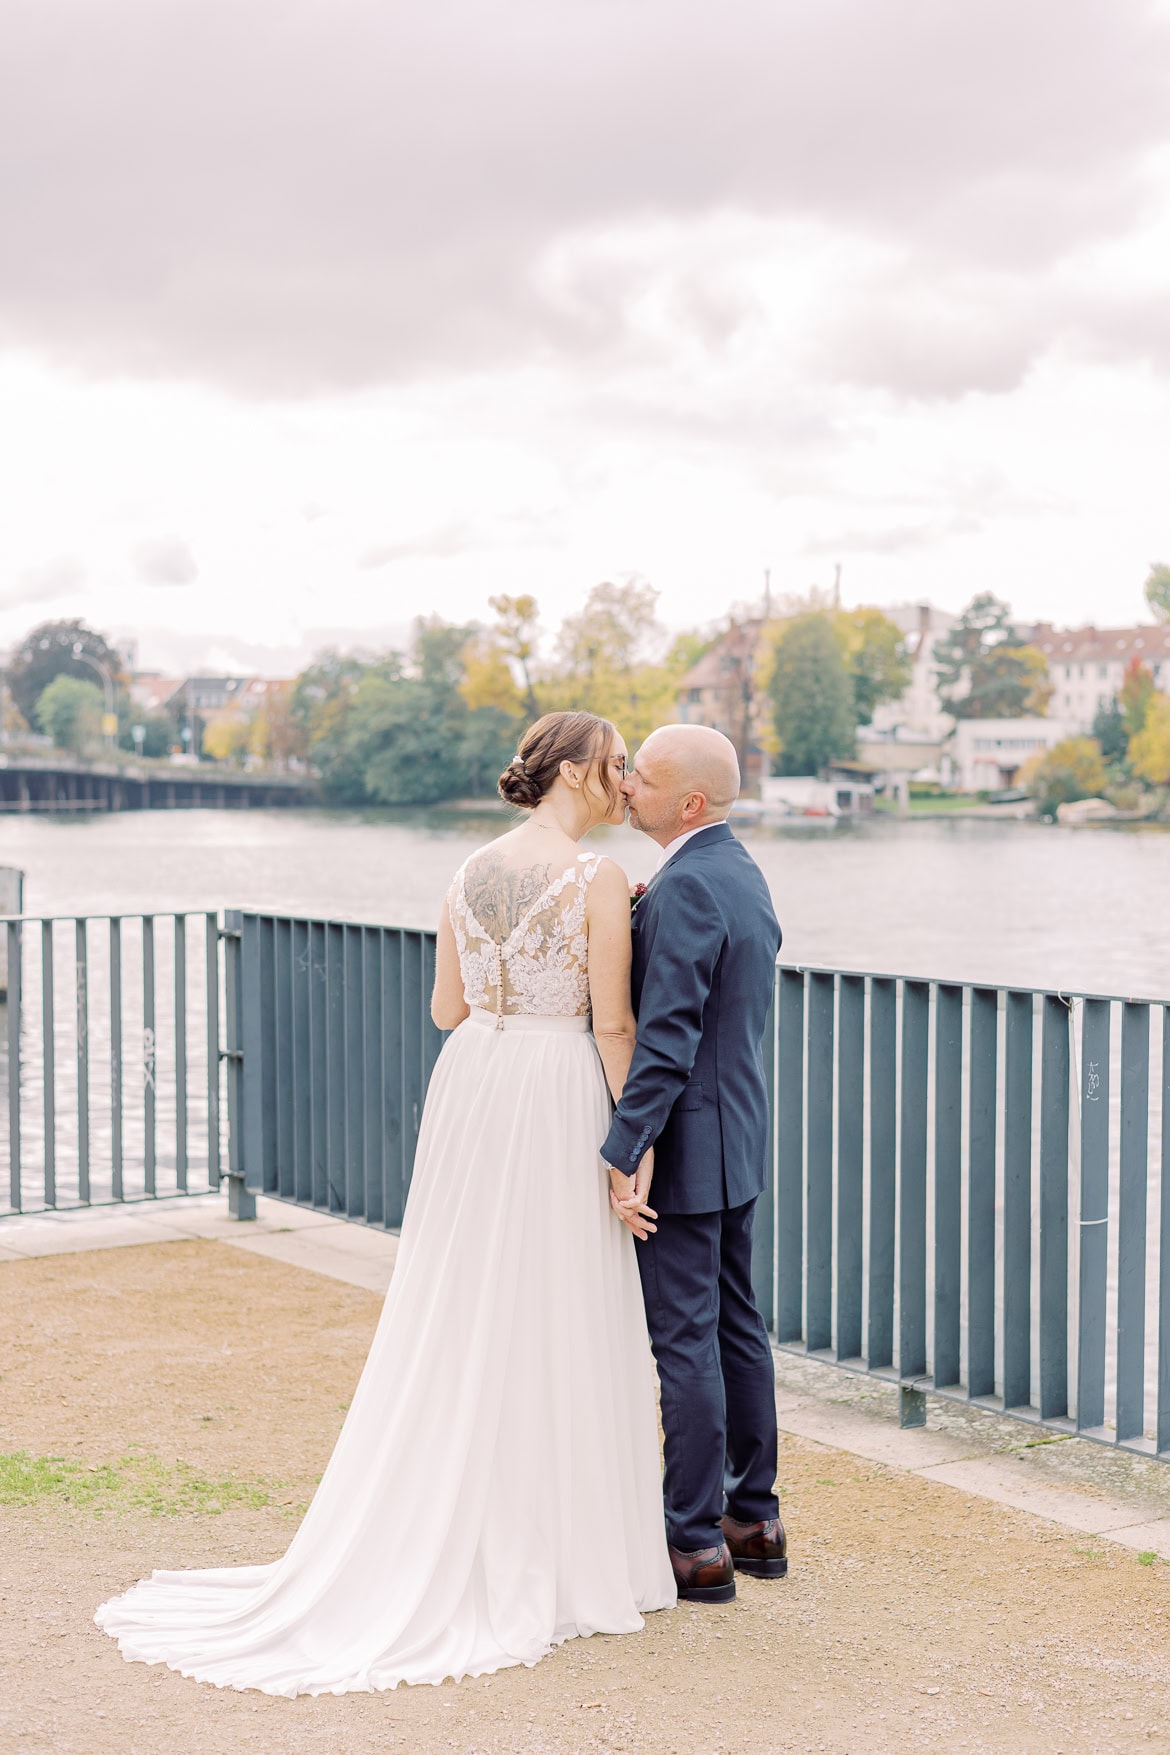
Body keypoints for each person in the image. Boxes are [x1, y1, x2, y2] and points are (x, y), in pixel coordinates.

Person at [95, 710, 675, 1695]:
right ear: (573, 773)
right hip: (551, 1087)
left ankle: (459, 1511)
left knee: (463, 1297)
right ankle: (556, 1541)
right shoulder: (599, 881)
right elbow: (614, 1022)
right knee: (556, 1298)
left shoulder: (464, 874)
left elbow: (447, 1008)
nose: (625, 783)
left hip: (473, 1084)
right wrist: (635, 1147)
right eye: (617, 766)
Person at [602, 724, 786, 1604]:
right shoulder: (736, 871)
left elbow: (667, 1042)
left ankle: (693, 1543)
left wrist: (622, 1145)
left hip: (685, 1148)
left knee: (685, 1342)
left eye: (640, 776)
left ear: (690, 803)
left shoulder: (686, 890)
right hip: (738, 1138)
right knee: (736, 1330)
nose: (626, 785)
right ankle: (755, 1518)